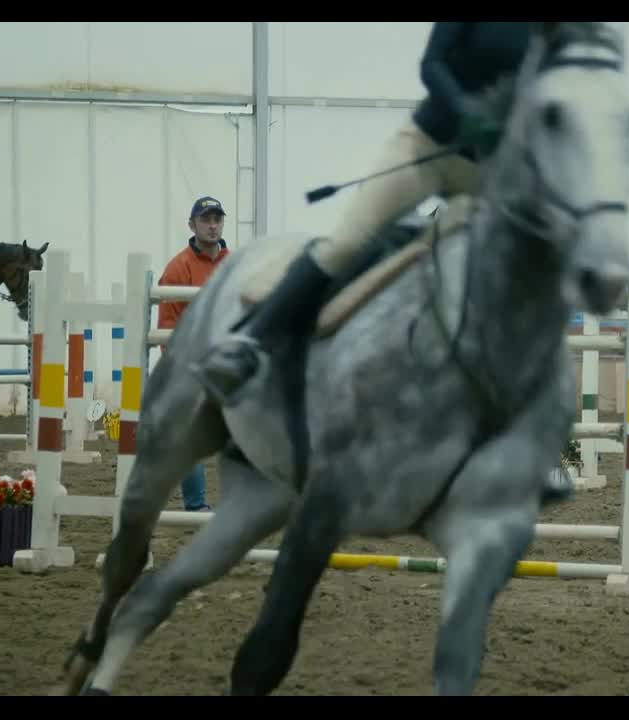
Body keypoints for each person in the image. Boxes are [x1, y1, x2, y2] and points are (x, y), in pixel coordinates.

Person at [189, 22, 537, 405]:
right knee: (347, 242)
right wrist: (465, 111)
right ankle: (248, 346)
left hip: (486, 168)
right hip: (426, 149)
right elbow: (432, 64)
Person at [158, 195, 231, 511]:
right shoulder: (177, 268)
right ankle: (196, 504)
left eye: (217, 219)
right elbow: (166, 326)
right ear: (192, 225)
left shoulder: (234, 263)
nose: (213, 225)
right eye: (206, 220)